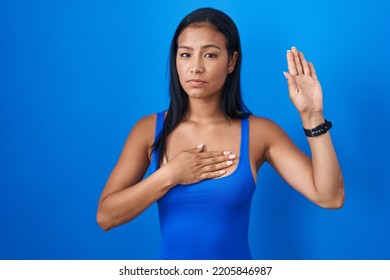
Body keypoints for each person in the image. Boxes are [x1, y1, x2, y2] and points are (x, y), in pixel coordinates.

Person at [96, 7, 344, 260]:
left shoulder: (260, 133)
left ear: (231, 62)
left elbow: (330, 198)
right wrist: (170, 174)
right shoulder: (149, 130)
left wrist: (312, 116)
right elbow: (106, 217)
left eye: (210, 55)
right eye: (185, 55)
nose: (195, 67)